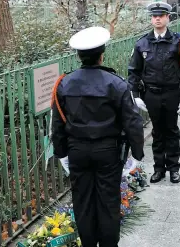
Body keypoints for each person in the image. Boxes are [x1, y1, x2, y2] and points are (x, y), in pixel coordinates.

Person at [51, 26, 144, 247]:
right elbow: (132, 122)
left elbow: (58, 123)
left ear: (78, 56)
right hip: (108, 152)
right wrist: (137, 154)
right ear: (102, 54)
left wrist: (61, 153)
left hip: (77, 151)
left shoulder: (64, 83)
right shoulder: (116, 83)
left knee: (82, 202)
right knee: (108, 202)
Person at [128, 2, 180, 184]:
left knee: (171, 131)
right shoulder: (142, 43)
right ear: (151, 19)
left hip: (172, 93)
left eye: (161, 15)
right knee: (157, 132)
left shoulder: (179, 42)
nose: (157, 18)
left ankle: (173, 168)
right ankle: (158, 168)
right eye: (154, 16)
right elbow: (134, 71)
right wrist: (135, 95)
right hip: (152, 94)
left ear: (167, 18)